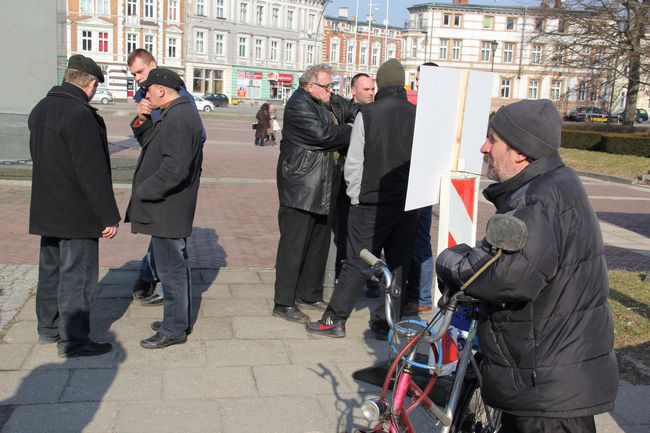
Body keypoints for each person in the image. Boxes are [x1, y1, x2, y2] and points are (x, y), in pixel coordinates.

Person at [435, 99, 618, 432]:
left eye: (493, 139)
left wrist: (448, 260)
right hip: (550, 372)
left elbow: (501, 277)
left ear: (520, 152)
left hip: (547, 386)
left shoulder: (539, 200)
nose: (484, 147)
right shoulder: (552, 184)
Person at [306, 59, 419, 339]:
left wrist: (355, 197)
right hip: (408, 203)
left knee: (358, 260)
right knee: (398, 263)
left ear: (379, 84)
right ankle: (386, 322)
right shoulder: (421, 115)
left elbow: (355, 161)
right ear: (403, 84)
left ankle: (335, 319)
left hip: (371, 201)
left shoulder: (368, 114)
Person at [29, 54, 120, 358]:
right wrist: (108, 215)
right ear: (90, 83)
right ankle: (74, 340)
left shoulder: (41, 108)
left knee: (51, 270)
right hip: (77, 210)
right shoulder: (80, 115)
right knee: (78, 275)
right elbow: (91, 171)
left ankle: (48, 328)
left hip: (47, 205)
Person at [273, 64, 358, 324]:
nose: (332, 91)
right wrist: (352, 130)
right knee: (294, 245)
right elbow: (323, 134)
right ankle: (284, 302)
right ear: (311, 86)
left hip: (323, 185)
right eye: (328, 86)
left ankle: (309, 294)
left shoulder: (327, 101)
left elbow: (353, 109)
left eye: (333, 86)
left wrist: (359, 117)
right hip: (301, 185)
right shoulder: (299, 104)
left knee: (318, 244)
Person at [127, 68, 204, 349]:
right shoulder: (173, 112)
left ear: (161, 89)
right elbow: (150, 144)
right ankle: (176, 320)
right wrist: (142, 118)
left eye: (148, 89)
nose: (145, 93)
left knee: (171, 270)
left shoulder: (180, 116)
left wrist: (144, 191)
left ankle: (174, 329)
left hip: (167, 206)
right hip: (167, 206)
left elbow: (175, 168)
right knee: (173, 267)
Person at [403, 62, 438, 316]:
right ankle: (416, 292)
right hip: (419, 180)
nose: (418, 82)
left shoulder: (432, 108)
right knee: (415, 239)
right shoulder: (428, 106)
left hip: (423, 182)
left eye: (420, 78)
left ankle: (423, 297)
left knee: (420, 241)